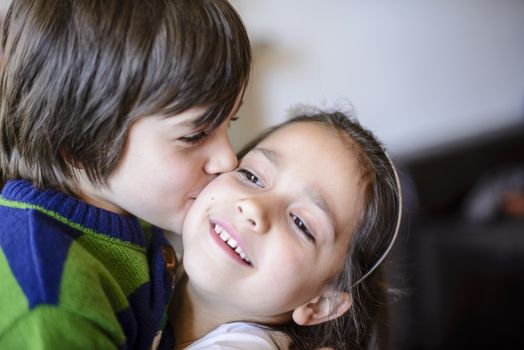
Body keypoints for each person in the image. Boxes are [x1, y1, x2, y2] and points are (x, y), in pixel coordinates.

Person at [0, 0, 251, 349]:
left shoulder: (130, 213)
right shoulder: (51, 305)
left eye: (230, 122)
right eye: (194, 136)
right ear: (80, 144)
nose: (228, 159)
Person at [170, 108, 402, 349]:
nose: (254, 207)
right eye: (251, 176)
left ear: (321, 304)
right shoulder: (147, 257)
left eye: (301, 224)